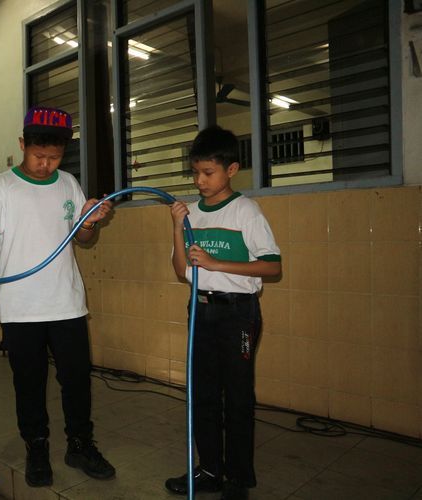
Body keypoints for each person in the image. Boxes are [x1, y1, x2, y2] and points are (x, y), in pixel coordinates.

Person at [0, 106, 115, 487]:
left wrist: (90, 221)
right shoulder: (2, 187)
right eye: (38, 156)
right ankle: (37, 447)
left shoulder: (68, 184)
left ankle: (80, 444)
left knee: (77, 379)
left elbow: (82, 238)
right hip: (21, 309)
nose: (46, 164)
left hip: (66, 303)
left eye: (55, 157)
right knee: (28, 384)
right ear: (22, 145)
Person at [165, 125, 281, 500]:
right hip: (201, 311)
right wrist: (177, 229)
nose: (199, 181)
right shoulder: (192, 214)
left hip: (238, 315)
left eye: (208, 173)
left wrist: (216, 264)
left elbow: (272, 267)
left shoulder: (246, 211)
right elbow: (182, 271)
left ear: (231, 170)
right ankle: (210, 469)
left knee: (238, 397)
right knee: (202, 395)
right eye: (195, 172)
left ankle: (239, 477)